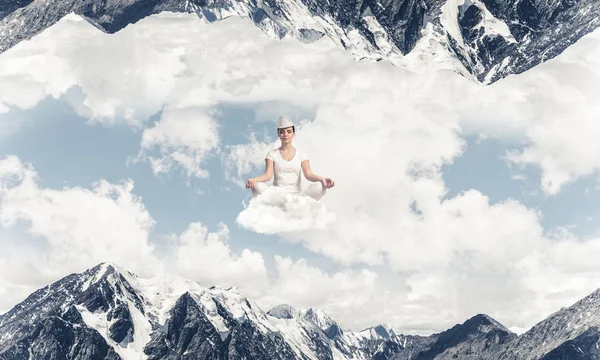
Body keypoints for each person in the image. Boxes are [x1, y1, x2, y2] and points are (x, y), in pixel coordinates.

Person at [246, 115, 335, 201]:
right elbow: (268, 175)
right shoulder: (272, 154)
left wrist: (322, 179)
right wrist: (255, 180)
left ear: (293, 133)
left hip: (298, 197)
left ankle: (291, 205)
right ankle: (279, 205)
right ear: (278, 134)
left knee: (320, 186)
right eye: (282, 132)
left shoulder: (301, 155)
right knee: (257, 186)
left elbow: (309, 175)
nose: (285, 135)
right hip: (277, 195)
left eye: (288, 131)